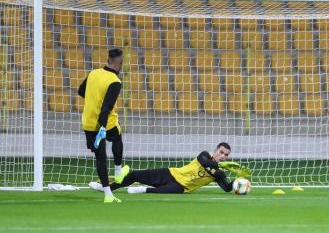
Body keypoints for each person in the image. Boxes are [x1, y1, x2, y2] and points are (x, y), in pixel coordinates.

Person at [89, 142, 250, 194]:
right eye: (221, 152)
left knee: (160, 191)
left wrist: (239, 181)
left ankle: (143, 190)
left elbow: (227, 188)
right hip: (171, 173)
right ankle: (107, 188)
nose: (223, 156)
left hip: (181, 187)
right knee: (134, 175)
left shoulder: (220, 173)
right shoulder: (205, 155)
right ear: (216, 150)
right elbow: (206, 163)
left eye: (226, 155)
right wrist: (222, 164)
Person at [78, 48, 129, 203]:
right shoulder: (115, 82)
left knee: (100, 157)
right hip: (106, 123)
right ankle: (118, 171)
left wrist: (94, 99)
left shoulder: (93, 73)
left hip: (88, 122)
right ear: (120, 63)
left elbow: (81, 91)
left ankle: (108, 194)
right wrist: (103, 126)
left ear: (108, 61)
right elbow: (106, 107)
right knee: (117, 138)